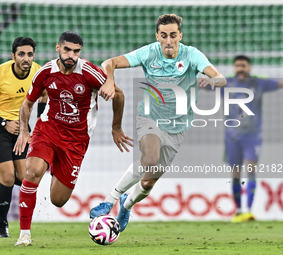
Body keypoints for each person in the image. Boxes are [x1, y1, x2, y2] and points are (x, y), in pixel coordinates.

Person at [90, 14, 227, 232]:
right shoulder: (149, 52)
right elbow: (110, 63)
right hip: (149, 117)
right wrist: (109, 79)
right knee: (150, 158)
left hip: (178, 127)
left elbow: (221, 78)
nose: (169, 40)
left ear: (180, 36)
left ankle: (126, 206)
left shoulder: (192, 55)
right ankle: (109, 200)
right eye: (164, 36)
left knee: (147, 183)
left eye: (173, 35)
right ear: (158, 36)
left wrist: (212, 80)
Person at [13, 31, 131, 246]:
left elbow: (119, 95)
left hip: (76, 142)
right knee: (32, 172)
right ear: (58, 48)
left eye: (76, 51)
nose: (71, 55)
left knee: (58, 200)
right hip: (48, 130)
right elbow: (27, 104)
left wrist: (116, 128)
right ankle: (24, 235)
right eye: (67, 49)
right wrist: (24, 131)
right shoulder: (45, 73)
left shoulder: (90, 73)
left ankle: (51, 165)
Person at [0, 37, 41, 237]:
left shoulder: (38, 72)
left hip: (21, 128)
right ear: (13, 56)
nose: (26, 58)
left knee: (23, 178)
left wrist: (35, 125)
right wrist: (4, 122)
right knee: (9, 178)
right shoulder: (0, 74)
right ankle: (2, 225)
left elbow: (45, 95)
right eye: (21, 54)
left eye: (29, 54)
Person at [225, 55, 283, 223]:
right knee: (235, 174)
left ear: (249, 67)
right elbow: (205, 85)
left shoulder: (259, 83)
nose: (240, 69)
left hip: (252, 136)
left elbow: (279, 83)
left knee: (250, 170)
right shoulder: (227, 83)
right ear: (234, 68)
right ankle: (238, 211)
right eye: (237, 66)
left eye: (243, 65)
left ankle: (249, 212)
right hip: (232, 137)